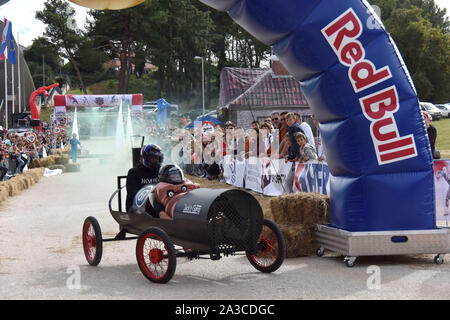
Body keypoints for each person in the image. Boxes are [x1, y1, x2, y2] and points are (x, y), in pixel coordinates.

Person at [125, 144, 164, 214]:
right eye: (152, 158)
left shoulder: (161, 172)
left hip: (157, 204)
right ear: (144, 158)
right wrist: (149, 200)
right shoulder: (134, 172)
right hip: (137, 205)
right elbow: (132, 193)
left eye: (157, 158)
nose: (155, 161)